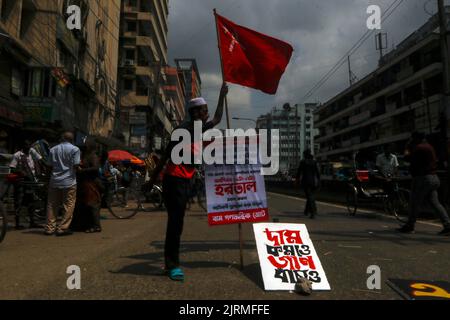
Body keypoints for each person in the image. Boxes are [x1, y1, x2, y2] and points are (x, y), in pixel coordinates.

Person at [147, 83, 228, 281]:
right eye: (204, 111)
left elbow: (217, 118)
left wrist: (221, 96)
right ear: (195, 112)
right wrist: (150, 181)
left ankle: (171, 261)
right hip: (174, 181)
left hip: (185, 180)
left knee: (178, 223)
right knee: (175, 224)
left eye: (207, 110)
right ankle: (171, 265)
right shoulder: (182, 130)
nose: (207, 114)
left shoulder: (197, 128)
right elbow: (166, 155)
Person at [398, 132, 450, 236]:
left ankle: (410, 226)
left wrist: (407, 147)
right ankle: (447, 225)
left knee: (414, 203)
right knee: (435, 203)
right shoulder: (428, 146)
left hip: (423, 179)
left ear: (416, 138)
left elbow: (407, 158)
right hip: (433, 178)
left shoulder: (419, 148)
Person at [45, 132, 81, 236]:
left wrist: (47, 180)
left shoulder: (53, 149)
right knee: (69, 205)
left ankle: (49, 228)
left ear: (62, 138)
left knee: (52, 205)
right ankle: (62, 228)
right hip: (69, 181)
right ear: (72, 140)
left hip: (54, 180)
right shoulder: (75, 149)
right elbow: (76, 165)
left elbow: (49, 166)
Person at [9, 140, 43, 229]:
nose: (28, 147)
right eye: (26, 146)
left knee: (32, 202)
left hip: (31, 181)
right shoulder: (17, 155)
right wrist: (21, 172)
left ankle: (32, 222)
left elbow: (40, 160)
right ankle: (17, 224)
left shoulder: (32, 152)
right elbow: (12, 168)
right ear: (22, 147)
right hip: (21, 182)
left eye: (29, 146)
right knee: (19, 202)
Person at [75, 140, 103, 233]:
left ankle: (96, 226)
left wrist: (82, 170)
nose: (85, 147)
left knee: (92, 204)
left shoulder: (93, 156)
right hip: (86, 183)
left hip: (92, 183)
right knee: (87, 204)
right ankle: (88, 225)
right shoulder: (87, 155)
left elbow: (95, 168)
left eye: (86, 145)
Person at [296, 150, 321, 219]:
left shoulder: (303, 162)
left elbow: (299, 172)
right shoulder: (314, 162)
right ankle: (306, 211)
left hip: (305, 181)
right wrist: (319, 181)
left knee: (309, 197)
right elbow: (318, 172)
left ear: (305, 155)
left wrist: (297, 180)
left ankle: (313, 212)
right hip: (313, 181)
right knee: (310, 196)